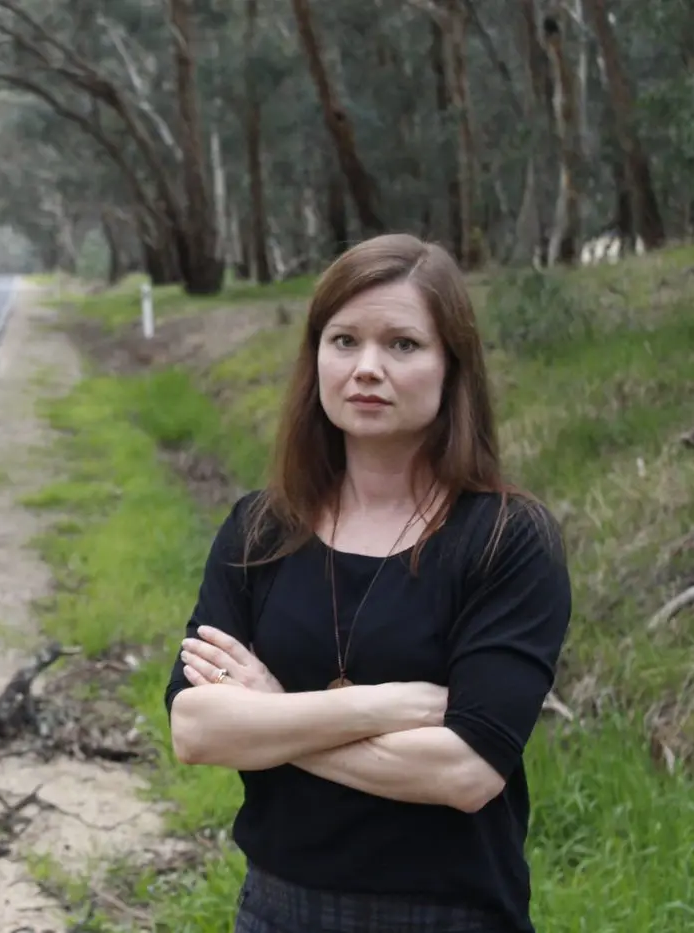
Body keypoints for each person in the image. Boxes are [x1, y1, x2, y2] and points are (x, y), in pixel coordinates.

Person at [166, 233, 571, 933]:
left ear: (452, 365)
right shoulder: (260, 531)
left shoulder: (506, 539)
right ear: (315, 357)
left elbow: (465, 774)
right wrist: (385, 707)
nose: (366, 368)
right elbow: (196, 728)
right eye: (343, 340)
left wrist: (270, 713)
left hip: (449, 915)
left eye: (403, 344)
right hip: (273, 909)